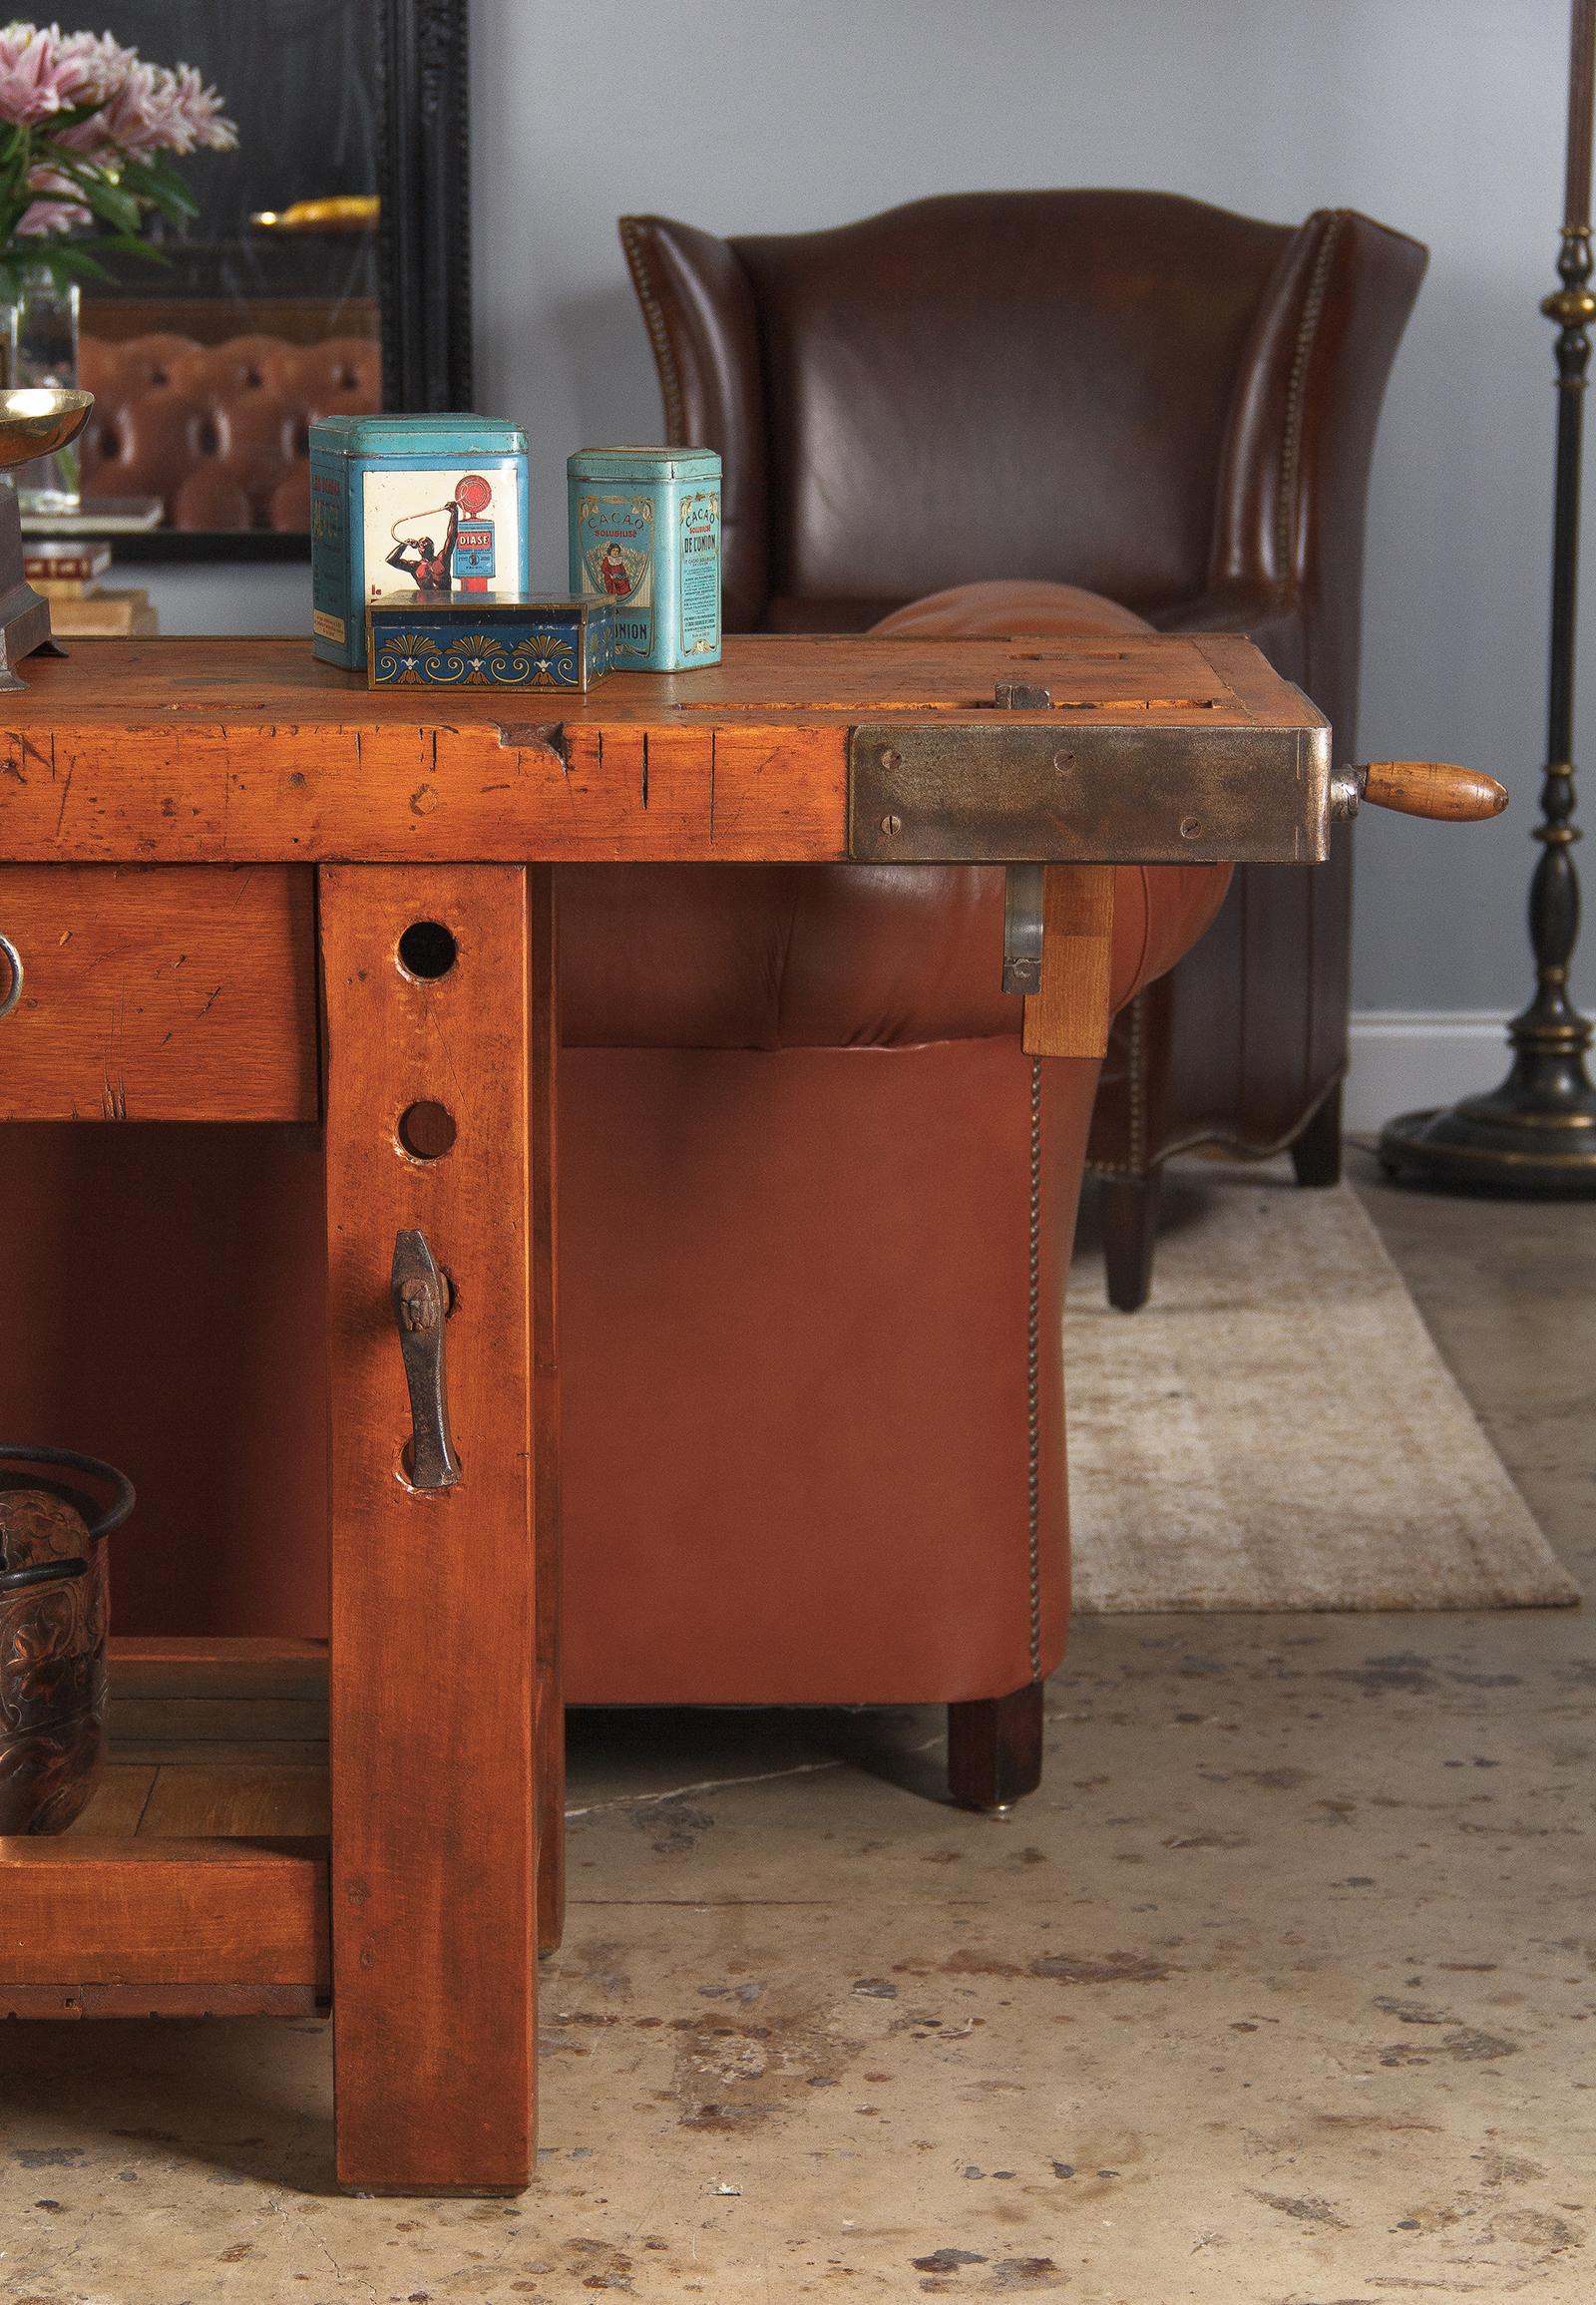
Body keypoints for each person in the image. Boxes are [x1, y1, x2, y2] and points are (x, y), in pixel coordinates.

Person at [387, 502, 460, 592]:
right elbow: (390, 560)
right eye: (420, 543)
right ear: (418, 549)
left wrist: (454, 513)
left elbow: (452, 536)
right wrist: (405, 543)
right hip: (425, 604)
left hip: (444, 603)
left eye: (426, 542)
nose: (422, 544)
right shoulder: (415, 566)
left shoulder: (442, 558)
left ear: (432, 547)